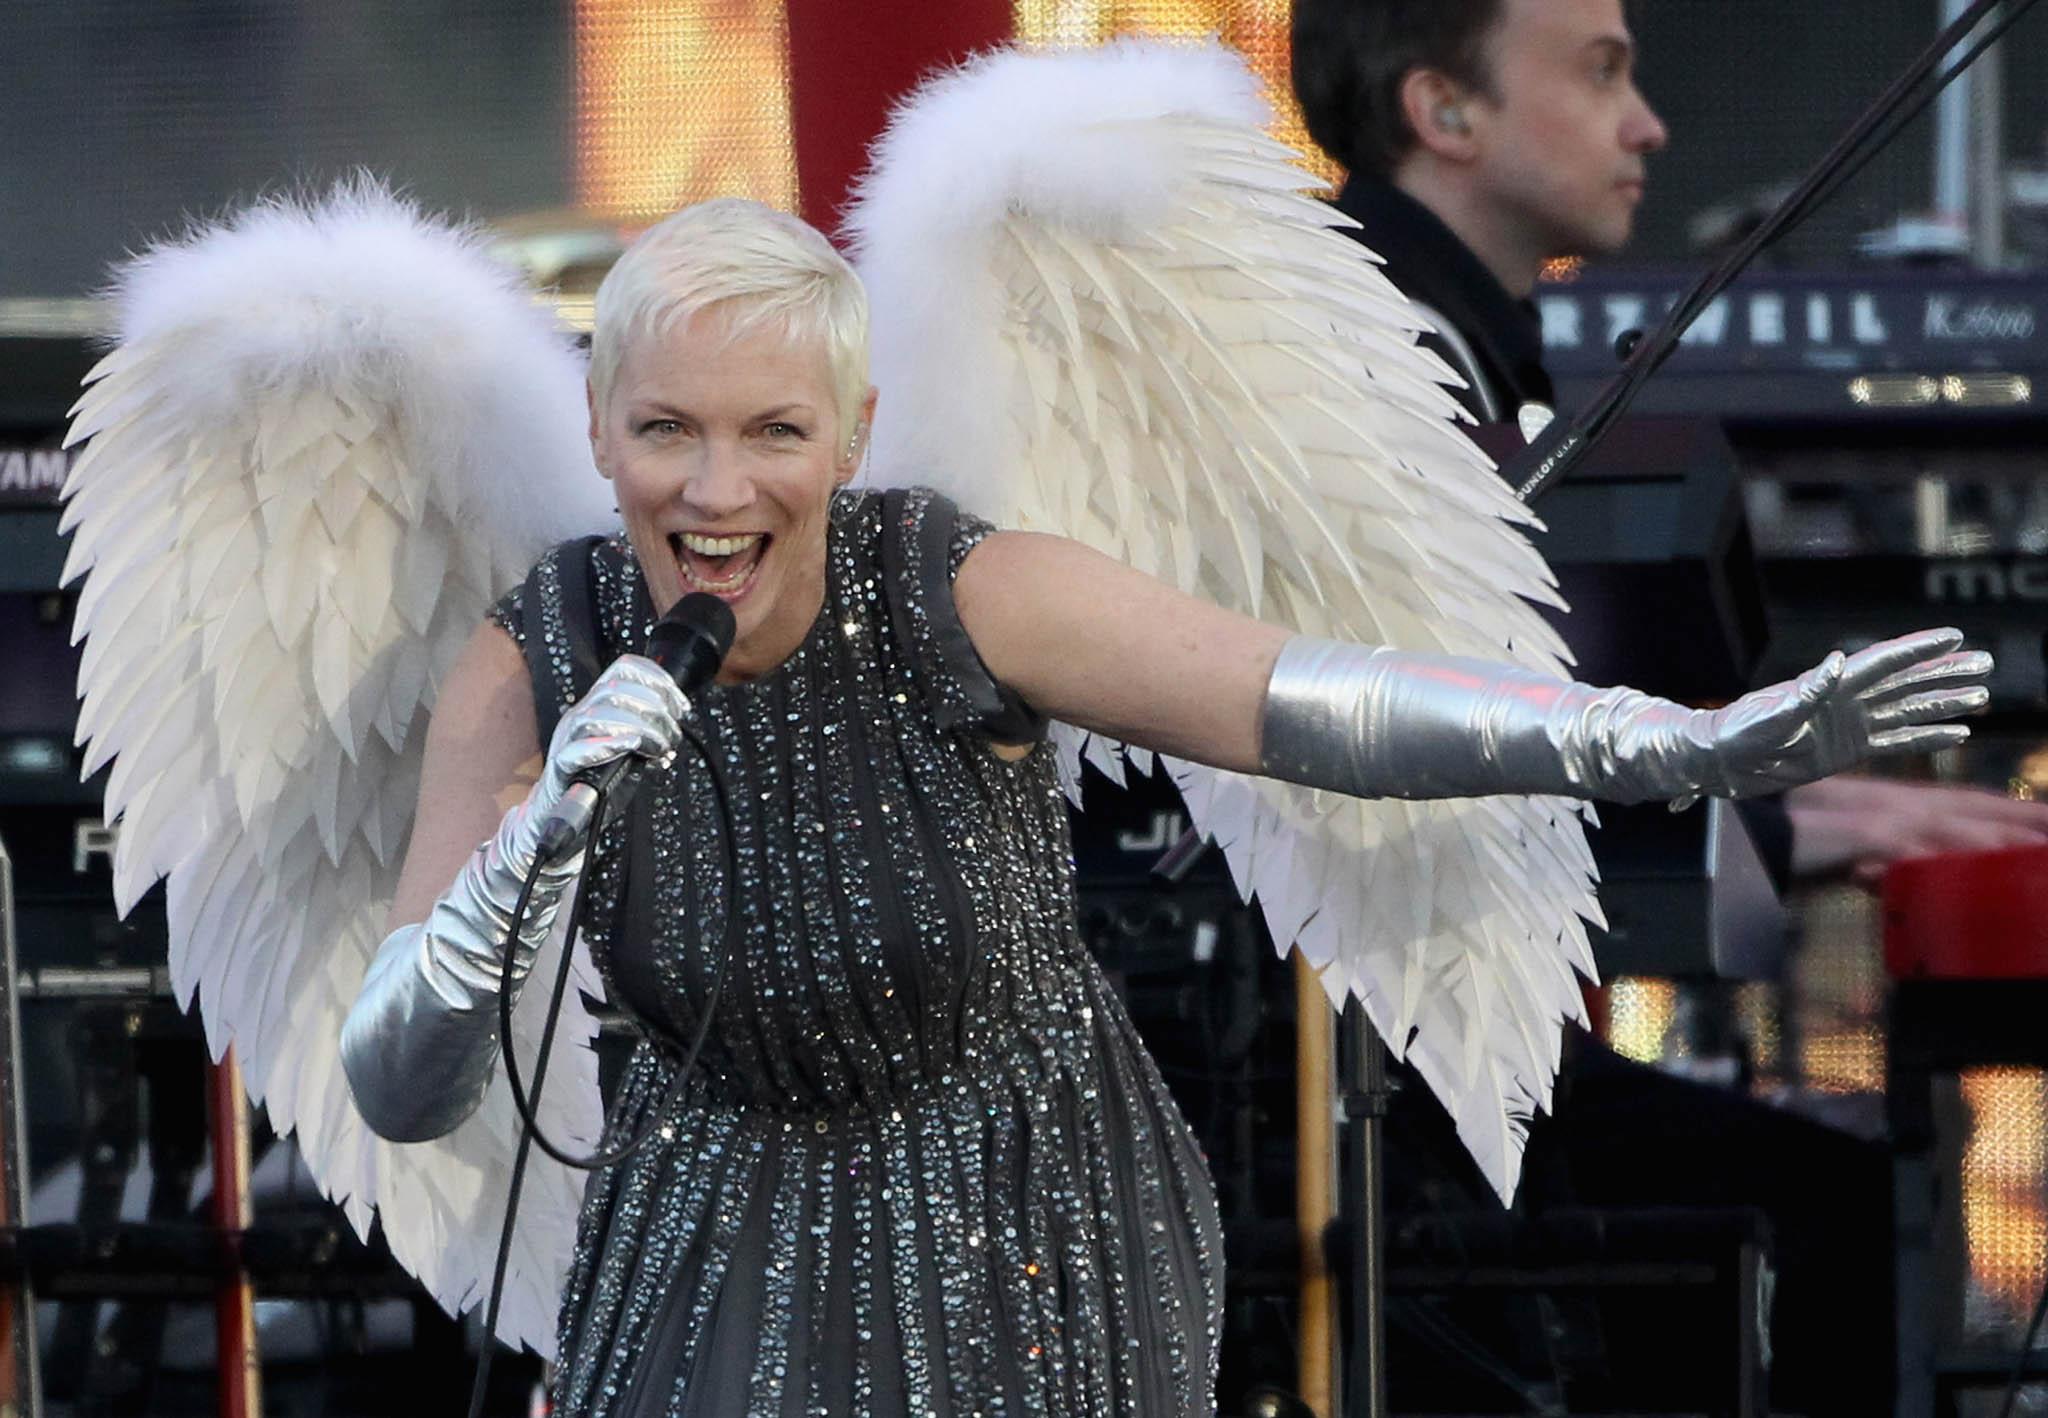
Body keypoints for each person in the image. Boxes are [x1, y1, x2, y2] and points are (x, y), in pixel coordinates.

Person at [331, 195, 1982, 1416]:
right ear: (602, 439)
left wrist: (1672, 741)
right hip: (707, 1213)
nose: (715, 487)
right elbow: (398, 1088)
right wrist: (524, 859)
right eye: (665, 431)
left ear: (849, 436)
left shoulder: (948, 592)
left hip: (1017, 1206)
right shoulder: (536, 653)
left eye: (772, 429)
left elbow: (1316, 703)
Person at [1290, 0, 2048, 879]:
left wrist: (1785, 804)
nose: (1648, 127)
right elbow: (1393, 771)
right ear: (1444, 110)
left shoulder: (1435, 341)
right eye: (1601, 71)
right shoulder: (1368, 360)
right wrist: (1780, 831)